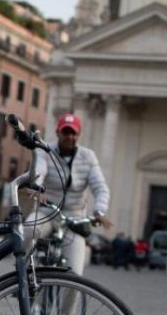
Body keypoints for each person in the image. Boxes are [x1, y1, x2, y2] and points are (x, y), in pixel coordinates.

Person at [27, 113, 113, 276]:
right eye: (66, 132)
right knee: (27, 230)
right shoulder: (45, 151)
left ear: (79, 134)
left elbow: (100, 187)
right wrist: (37, 189)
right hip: (47, 211)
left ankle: (67, 296)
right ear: (58, 132)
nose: (70, 137)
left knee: (75, 275)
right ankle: (22, 273)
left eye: (74, 133)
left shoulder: (88, 156)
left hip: (74, 218)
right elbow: (39, 171)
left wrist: (99, 211)